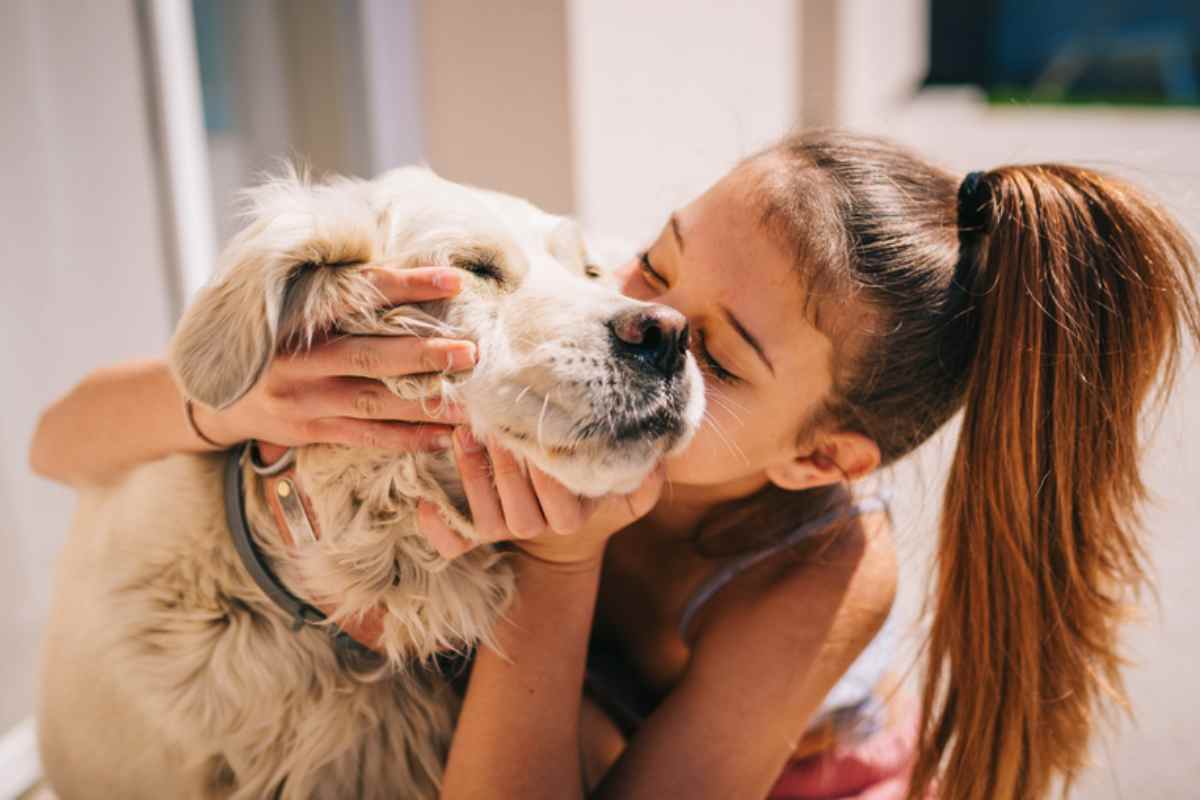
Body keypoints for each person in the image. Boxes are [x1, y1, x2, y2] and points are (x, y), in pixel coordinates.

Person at [30, 131, 1199, 800]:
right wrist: (229, 398)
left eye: (722, 358)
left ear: (820, 455)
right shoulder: (582, 329)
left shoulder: (821, 574)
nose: (642, 324)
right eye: (650, 256)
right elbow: (55, 442)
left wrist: (560, 555)